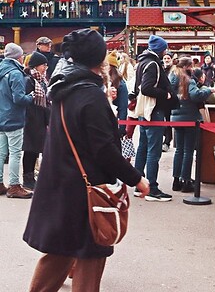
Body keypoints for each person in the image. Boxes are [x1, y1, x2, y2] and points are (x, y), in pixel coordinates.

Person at [23, 28, 149, 292]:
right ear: (99, 60)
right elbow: (104, 149)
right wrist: (136, 178)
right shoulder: (89, 94)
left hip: (60, 182)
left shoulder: (63, 87)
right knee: (90, 255)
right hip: (83, 189)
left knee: (60, 252)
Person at [132, 34, 178, 202]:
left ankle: (139, 184)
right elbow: (146, 88)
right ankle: (152, 187)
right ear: (160, 49)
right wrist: (165, 94)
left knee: (143, 147)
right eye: (164, 48)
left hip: (144, 111)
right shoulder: (153, 64)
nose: (166, 51)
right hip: (154, 111)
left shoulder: (142, 62)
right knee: (153, 150)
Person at [169, 57, 215, 192]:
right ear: (187, 66)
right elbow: (196, 95)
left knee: (179, 150)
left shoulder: (172, 78)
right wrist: (209, 90)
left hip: (176, 117)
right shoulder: (188, 80)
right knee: (188, 151)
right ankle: (186, 180)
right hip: (190, 118)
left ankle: (176, 180)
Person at [0, 43, 34, 198]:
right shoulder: (15, 73)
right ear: (18, 56)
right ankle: (14, 185)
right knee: (15, 153)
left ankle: (0, 183)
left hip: (1, 116)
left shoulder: (1, 70)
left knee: (1, 153)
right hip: (13, 117)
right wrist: (31, 97)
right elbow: (19, 98)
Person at [22, 51, 51, 190]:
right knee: (30, 149)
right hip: (31, 119)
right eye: (43, 65)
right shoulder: (29, 80)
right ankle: (27, 178)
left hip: (39, 119)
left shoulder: (41, 80)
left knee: (35, 149)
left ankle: (31, 177)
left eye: (46, 65)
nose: (45, 67)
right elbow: (28, 101)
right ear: (35, 65)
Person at [162, 52, 174, 152]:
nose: (166, 60)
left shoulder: (173, 70)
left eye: (168, 58)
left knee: (168, 121)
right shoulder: (161, 69)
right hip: (163, 98)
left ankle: (167, 141)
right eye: (165, 58)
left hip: (170, 99)